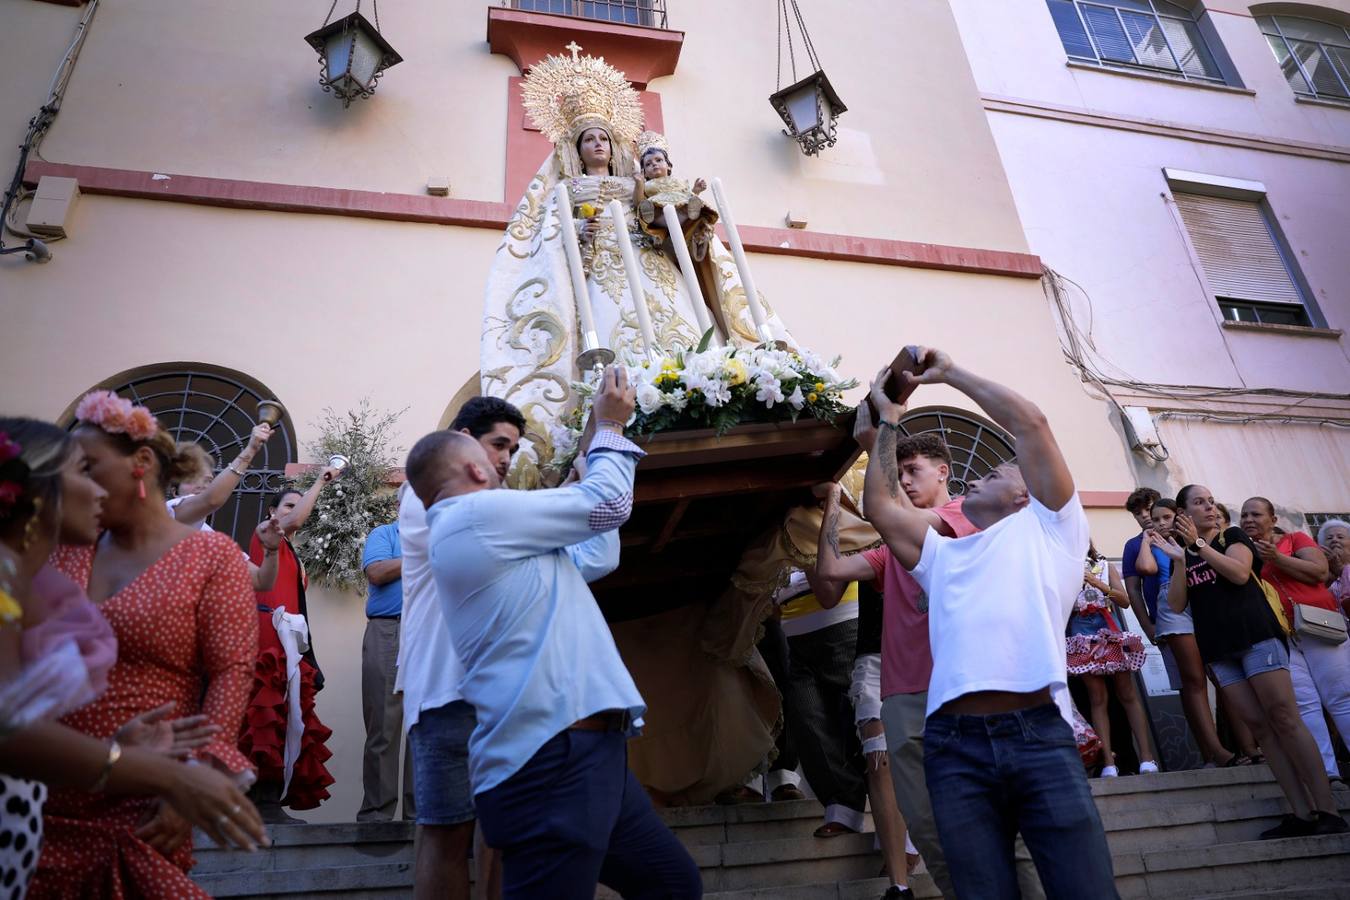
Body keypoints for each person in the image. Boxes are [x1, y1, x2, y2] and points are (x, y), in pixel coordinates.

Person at [408, 366, 700, 899]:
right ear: (474, 468)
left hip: (592, 748)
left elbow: (596, 552)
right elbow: (609, 504)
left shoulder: (493, 527)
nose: (505, 464)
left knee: (672, 886)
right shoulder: (471, 517)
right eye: (498, 453)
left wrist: (586, 468)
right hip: (551, 756)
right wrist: (611, 426)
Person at [861, 349, 1118, 899]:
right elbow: (881, 509)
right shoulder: (941, 556)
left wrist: (949, 375)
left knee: (1085, 888)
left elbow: (1031, 423)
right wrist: (886, 423)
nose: (980, 477)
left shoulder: (1053, 532)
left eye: (997, 470)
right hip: (954, 747)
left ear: (1025, 492)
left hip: (1037, 735)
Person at [0, 418, 268, 899]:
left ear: (142, 465)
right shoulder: (46, 560)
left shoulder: (209, 554)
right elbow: (10, 722)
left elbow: (233, 670)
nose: (94, 487)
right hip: (51, 783)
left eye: (92, 465)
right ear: (38, 491)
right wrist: (160, 770)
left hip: (135, 797)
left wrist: (194, 767)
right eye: (81, 470)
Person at [812, 425, 1044, 900]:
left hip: (958, 691)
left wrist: (877, 441)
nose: (906, 481)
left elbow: (891, 514)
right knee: (926, 824)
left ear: (944, 473)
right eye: (899, 473)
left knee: (996, 821)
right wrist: (832, 505)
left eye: (913, 471)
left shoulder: (963, 514)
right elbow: (830, 576)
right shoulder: (893, 547)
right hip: (901, 696)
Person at [1155, 485, 1347, 838]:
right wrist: (1182, 559)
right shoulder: (1184, 551)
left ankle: (1328, 810)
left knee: (1286, 719)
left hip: (1256, 637)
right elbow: (1178, 603)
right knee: (1260, 729)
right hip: (1219, 650)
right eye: (1200, 503)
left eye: (1211, 501)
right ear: (1184, 512)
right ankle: (1301, 813)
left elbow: (1241, 574)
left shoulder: (1232, 535)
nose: (1210, 507)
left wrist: (1199, 545)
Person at [398, 395, 521, 900]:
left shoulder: (495, 501)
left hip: (497, 688)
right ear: (465, 438)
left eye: (514, 448)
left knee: (501, 834)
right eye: (499, 444)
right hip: (444, 685)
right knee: (445, 830)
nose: (507, 459)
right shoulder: (425, 492)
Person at [240, 476, 339, 824]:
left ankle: (269, 801)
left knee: (286, 716)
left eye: (298, 504)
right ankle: (254, 801)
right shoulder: (266, 533)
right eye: (287, 504)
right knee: (265, 715)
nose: (294, 511)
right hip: (266, 638)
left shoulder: (291, 552)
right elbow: (295, 520)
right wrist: (323, 478)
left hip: (288, 642)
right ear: (272, 513)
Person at [1242, 497, 1350, 783]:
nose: (1249, 519)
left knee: (1341, 698)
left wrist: (1276, 558)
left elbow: (1319, 572)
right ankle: (1328, 773)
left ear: (1273, 519)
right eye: (1244, 515)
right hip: (1281, 637)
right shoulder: (1242, 552)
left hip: (1319, 626)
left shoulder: (1295, 539)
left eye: (1256, 514)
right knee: (1306, 707)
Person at [774, 568, 869, 838]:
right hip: (793, 632)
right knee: (809, 722)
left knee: (864, 726)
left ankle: (901, 831)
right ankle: (843, 809)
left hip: (845, 619)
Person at [1066, 544, 1157, 777]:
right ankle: (1108, 763)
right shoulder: (1058, 570)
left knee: (1126, 694)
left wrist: (1097, 583)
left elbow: (1124, 600)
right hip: (1081, 635)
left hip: (1109, 630)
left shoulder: (1104, 566)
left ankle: (1147, 759)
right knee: (1097, 698)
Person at [167, 425, 284, 591]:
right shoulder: (168, 513)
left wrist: (272, 550)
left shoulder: (212, 538)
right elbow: (211, 500)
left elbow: (260, 581)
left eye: (208, 480)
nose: (202, 484)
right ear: (174, 491)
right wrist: (250, 449)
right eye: (192, 477)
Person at [357, 518, 414, 823]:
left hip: (431, 632)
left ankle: (421, 816)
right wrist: (423, 552)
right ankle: (377, 816)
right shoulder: (384, 534)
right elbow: (377, 572)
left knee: (425, 727)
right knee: (383, 723)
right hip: (388, 629)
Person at [1320, 519, 1350, 613]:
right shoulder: (1319, 574)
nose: (1334, 540)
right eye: (1329, 538)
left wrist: (1342, 570)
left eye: (1340, 537)